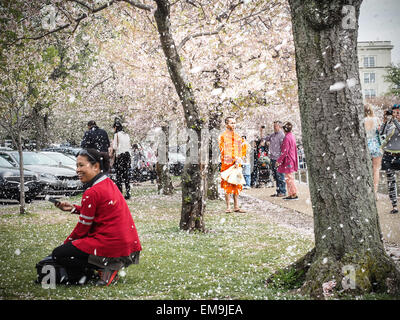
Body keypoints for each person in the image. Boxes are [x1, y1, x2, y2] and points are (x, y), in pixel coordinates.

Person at [51, 148, 142, 286]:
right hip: (127, 246)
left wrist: (66, 244)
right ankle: (102, 268)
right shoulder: (108, 183)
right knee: (68, 250)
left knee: (59, 253)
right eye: (76, 165)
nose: (77, 170)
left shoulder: (92, 192)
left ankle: (103, 268)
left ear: (96, 166)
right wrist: (74, 208)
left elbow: (82, 229)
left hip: (111, 246)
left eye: (81, 165)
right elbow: (100, 211)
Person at [219, 116, 247, 213]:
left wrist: (240, 158)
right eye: (231, 123)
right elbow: (223, 150)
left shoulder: (238, 136)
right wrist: (233, 159)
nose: (233, 125)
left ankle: (236, 206)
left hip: (237, 164)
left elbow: (243, 148)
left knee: (237, 184)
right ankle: (228, 207)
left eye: (234, 123)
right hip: (227, 164)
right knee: (227, 185)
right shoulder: (223, 136)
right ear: (226, 124)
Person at [380, 104, 400, 214]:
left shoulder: (396, 123)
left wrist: (394, 120)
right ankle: (394, 206)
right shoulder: (390, 124)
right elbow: (381, 133)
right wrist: (385, 120)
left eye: (398, 112)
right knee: (391, 182)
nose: (396, 115)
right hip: (388, 156)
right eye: (394, 112)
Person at [364, 104, 383, 200]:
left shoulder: (362, 121)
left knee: (366, 169)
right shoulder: (377, 119)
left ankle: (367, 191)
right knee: (376, 169)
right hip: (376, 146)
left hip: (365, 146)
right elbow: (381, 132)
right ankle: (375, 192)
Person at [276, 122, 298, 200]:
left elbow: (285, 151)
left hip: (288, 160)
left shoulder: (287, 138)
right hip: (292, 158)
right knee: (290, 177)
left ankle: (293, 194)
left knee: (289, 178)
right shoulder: (291, 136)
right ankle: (292, 193)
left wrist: (279, 160)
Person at [265, 121, 287, 197]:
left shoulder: (282, 135)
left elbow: (283, 148)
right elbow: (265, 138)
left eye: (276, 126)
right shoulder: (273, 135)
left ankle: (283, 191)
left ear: (280, 127)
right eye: (274, 126)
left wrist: (280, 159)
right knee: (276, 176)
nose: (274, 128)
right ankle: (278, 191)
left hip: (278, 158)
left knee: (280, 175)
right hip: (272, 157)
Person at [112, 121, 132, 200]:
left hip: (120, 156)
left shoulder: (116, 135)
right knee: (126, 175)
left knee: (119, 176)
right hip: (127, 156)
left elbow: (114, 147)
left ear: (116, 127)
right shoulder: (126, 135)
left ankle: (119, 193)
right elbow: (129, 145)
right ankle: (128, 192)